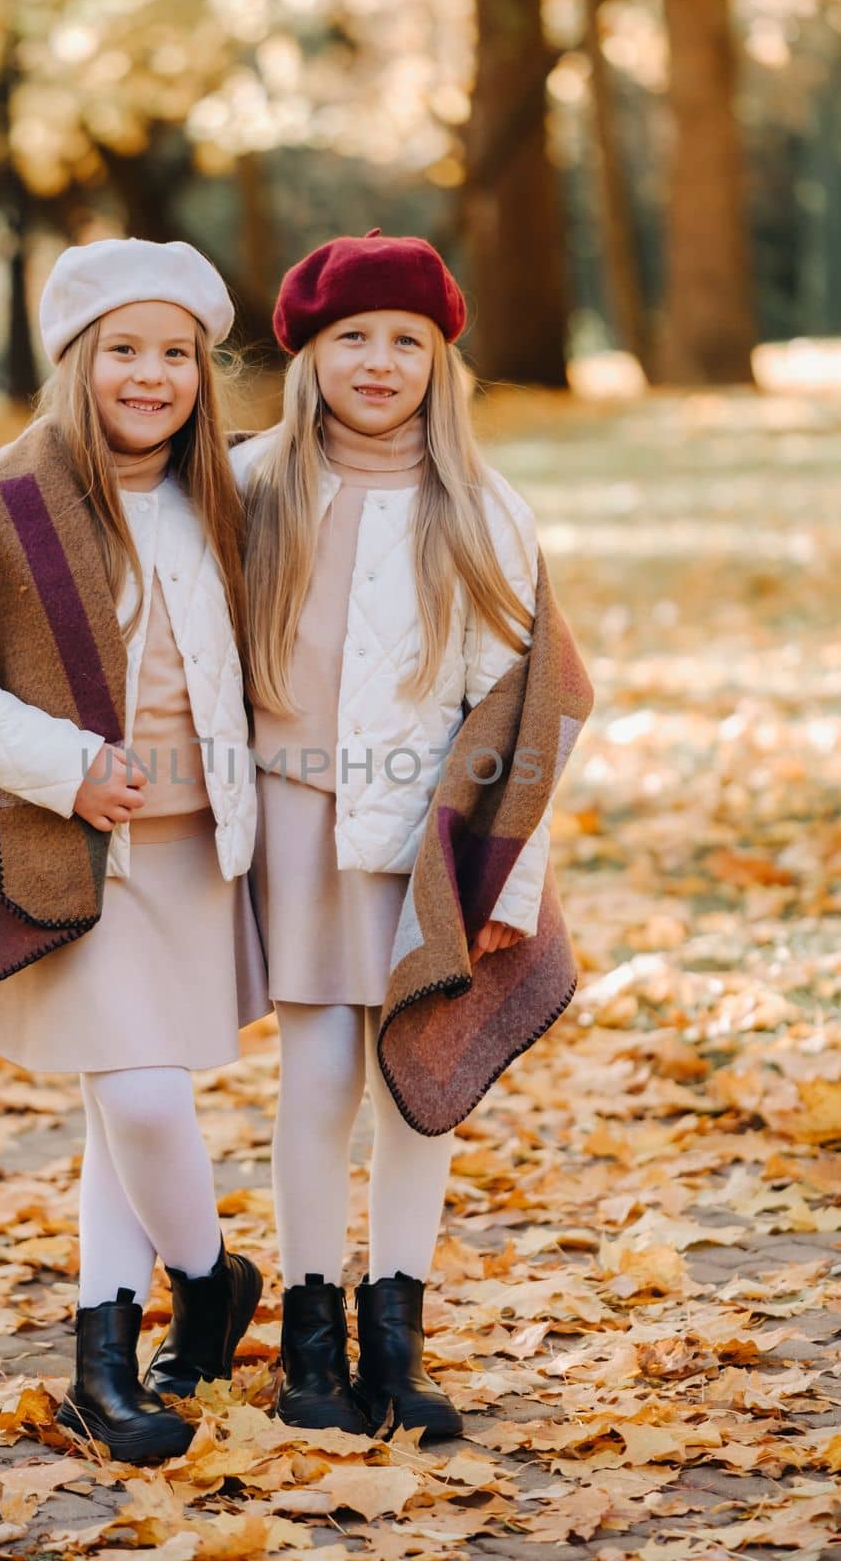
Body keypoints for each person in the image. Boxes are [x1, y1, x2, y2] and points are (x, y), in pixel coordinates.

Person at [0, 239, 267, 1463]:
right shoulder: (6, 503)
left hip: (194, 845)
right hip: (78, 843)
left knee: (124, 1099)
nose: (150, 375)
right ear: (78, 362)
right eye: (124, 351)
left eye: (175, 354)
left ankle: (106, 1360)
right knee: (139, 1089)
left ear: (203, 373)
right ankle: (207, 1282)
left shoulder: (228, 497)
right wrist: (62, 762)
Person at [234, 231, 550, 1441]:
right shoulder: (251, 485)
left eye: (404, 342)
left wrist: (498, 865)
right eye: (349, 338)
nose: (377, 362)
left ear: (439, 361)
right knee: (317, 1078)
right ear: (306, 356)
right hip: (298, 823)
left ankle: (397, 1337)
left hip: (427, 832)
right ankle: (310, 1341)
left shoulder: (479, 506)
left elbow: (516, 704)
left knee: (420, 1087)